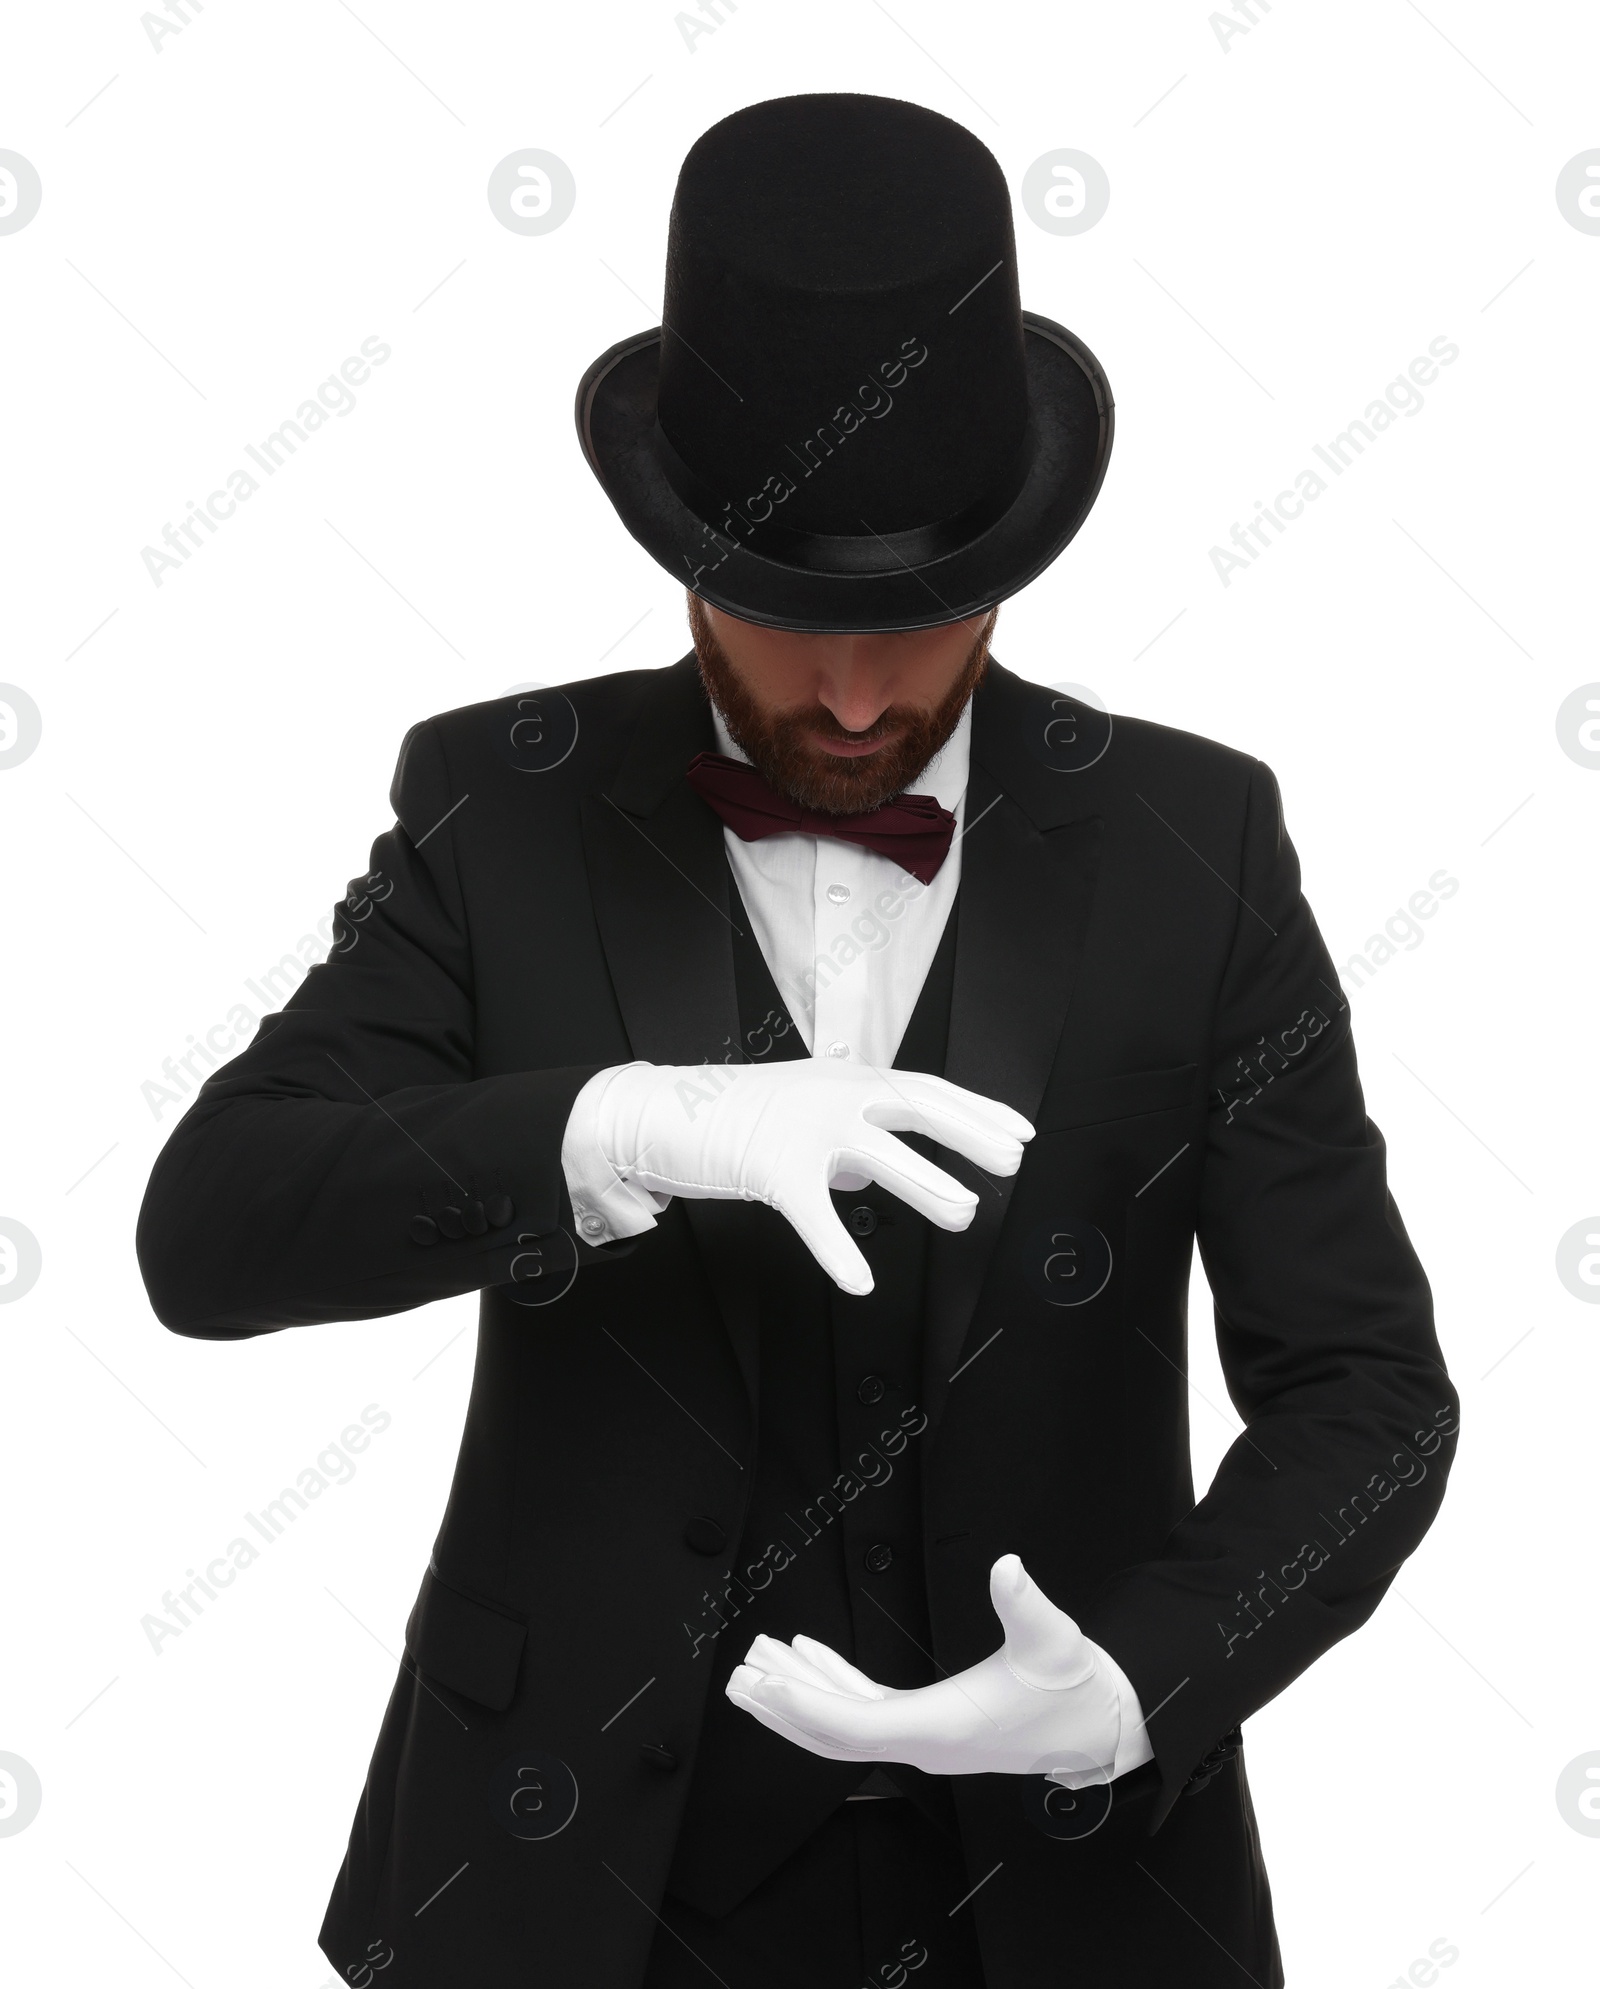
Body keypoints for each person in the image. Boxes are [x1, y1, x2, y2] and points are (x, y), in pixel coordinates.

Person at [137, 92, 1457, 1989]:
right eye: (782, 608)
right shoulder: (498, 805)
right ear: (674, 549)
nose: (849, 691)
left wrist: (1135, 1684)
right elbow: (210, 1228)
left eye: (916, 613)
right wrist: (611, 1128)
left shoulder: (1201, 842)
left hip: (1075, 1897)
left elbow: (1370, 1391)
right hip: (574, 1887)